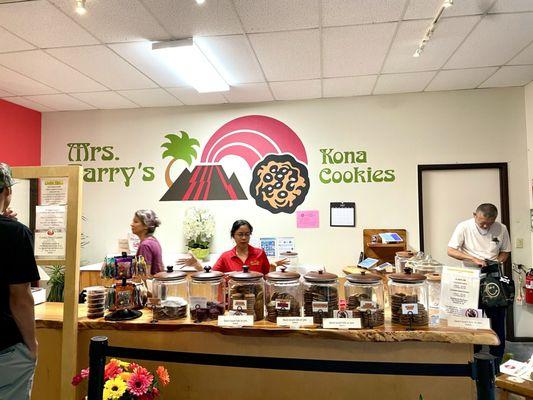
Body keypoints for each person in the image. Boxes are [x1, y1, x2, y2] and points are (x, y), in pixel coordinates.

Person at [447, 203, 511, 365]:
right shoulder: (464, 227)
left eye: (489, 223)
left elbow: (505, 251)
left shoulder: (501, 228)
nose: (485, 226)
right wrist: (473, 259)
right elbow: (451, 250)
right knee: (472, 317)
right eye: (482, 222)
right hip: (470, 278)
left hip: (493, 279)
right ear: (475, 214)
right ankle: (472, 356)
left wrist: (498, 261)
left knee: (497, 318)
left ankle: (497, 358)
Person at [0, 162, 40, 400]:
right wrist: (31, 345)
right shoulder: (15, 233)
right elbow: (20, 298)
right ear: (7, 191)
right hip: (5, 349)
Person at [178, 219, 288, 275]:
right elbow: (212, 275)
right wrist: (197, 264)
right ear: (233, 236)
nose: (244, 238)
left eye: (247, 234)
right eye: (240, 234)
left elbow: (266, 277)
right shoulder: (226, 256)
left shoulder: (260, 253)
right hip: (232, 299)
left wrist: (273, 268)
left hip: (256, 300)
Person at [131, 209, 163, 275]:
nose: (131, 224)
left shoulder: (145, 245)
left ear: (146, 226)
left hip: (150, 284)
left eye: (136, 222)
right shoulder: (153, 241)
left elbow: (144, 275)